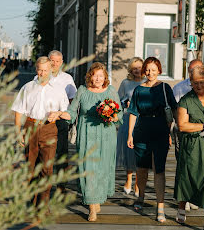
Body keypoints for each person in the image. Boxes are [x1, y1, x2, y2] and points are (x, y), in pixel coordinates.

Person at [48, 62, 122, 222]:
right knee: (88, 168)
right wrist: (60, 113)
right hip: (87, 133)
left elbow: (119, 115)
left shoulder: (111, 91)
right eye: (95, 75)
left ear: (105, 78)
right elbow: (72, 112)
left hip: (106, 135)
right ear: (90, 76)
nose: (97, 78)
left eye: (101, 76)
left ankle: (97, 198)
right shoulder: (82, 90)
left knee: (101, 168)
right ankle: (91, 206)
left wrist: (112, 115)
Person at [11, 56, 69, 205]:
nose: (43, 73)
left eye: (46, 70)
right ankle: (32, 199)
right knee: (30, 168)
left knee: (47, 168)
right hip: (30, 127)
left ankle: (43, 204)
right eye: (40, 70)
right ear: (36, 69)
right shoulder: (27, 87)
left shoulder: (58, 90)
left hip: (49, 129)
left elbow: (66, 110)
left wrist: (58, 114)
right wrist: (18, 132)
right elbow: (18, 111)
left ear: (51, 70)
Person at [127, 57, 177, 223]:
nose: (150, 73)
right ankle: (140, 197)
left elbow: (174, 110)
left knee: (159, 169)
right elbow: (133, 112)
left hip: (161, 130)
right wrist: (130, 135)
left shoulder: (165, 88)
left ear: (159, 70)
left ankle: (160, 207)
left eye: (153, 70)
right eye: (147, 70)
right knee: (141, 168)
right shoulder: (139, 89)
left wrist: (173, 132)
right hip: (142, 130)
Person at [174, 65, 204, 230]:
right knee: (187, 178)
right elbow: (182, 125)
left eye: (202, 82)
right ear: (190, 82)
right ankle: (182, 206)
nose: (199, 86)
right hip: (192, 146)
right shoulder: (186, 100)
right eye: (195, 83)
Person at [172, 59, 204, 211]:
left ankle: (196, 197)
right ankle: (185, 200)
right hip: (185, 135)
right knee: (186, 168)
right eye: (193, 70)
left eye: (199, 69)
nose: (199, 84)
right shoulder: (179, 88)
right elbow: (175, 114)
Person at [45, 50, 77, 192]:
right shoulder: (41, 75)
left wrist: (69, 117)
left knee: (61, 151)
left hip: (61, 119)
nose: (55, 64)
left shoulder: (67, 79)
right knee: (46, 150)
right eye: (52, 60)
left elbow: (72, 99)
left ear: (62, 63)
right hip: (45, 119)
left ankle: (61, 184)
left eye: (58, 61)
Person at [116, 57, 143, 196]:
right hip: (128, 118)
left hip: (143, 120)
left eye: (139, 67)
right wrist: (124, 102)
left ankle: (138, 183)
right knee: (129, 151)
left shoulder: (147, 82)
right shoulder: (126, 83)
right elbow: (118, 99)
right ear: (131, 69)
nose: (137, 70)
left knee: (140, 152)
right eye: (134, 68)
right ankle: (128, 179)